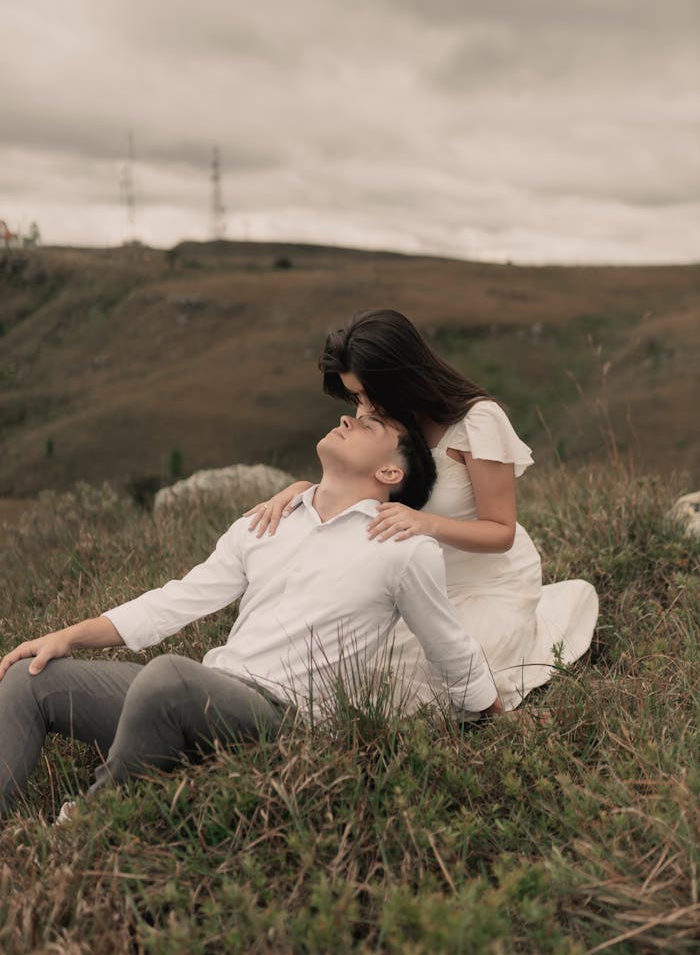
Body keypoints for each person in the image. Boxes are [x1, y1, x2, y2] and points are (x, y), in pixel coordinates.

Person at [0, 410, 501, 820]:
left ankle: (86, 824)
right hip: (206, 694)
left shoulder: (402, 548)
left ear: (391, 473)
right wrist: (69, 636)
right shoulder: (268, 520)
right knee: (31, 677)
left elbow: (449, 645)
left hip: (279, 725)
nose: (348, 417)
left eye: (370, 426)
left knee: (169, 677)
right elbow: (177, 598)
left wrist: (496, 718)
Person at [247, 309, 599, 711]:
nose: (363, 407)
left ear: (401, 378)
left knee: (425, 685)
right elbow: (356, 486)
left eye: (367, 393)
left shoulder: (478, 421)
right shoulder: (378, 418)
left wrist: (425, 523)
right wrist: (297, 492)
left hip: (485, 585)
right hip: (410, 584)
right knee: (339, 671)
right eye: (356, 396)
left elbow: (501, 531)